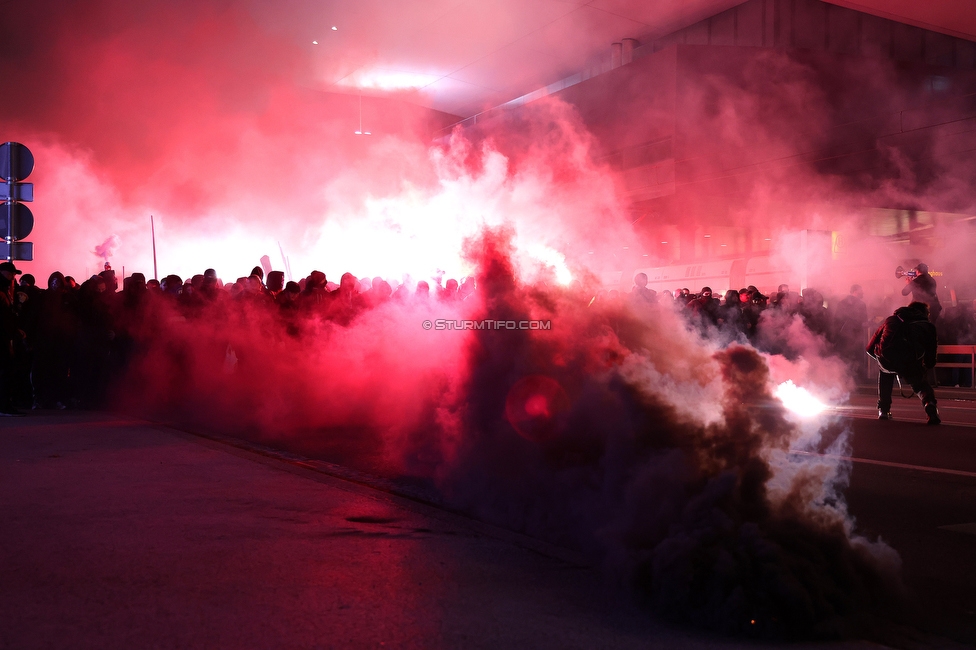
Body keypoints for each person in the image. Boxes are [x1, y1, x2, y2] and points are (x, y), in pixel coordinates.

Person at [866, 301, 940, 424]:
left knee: (885, 374)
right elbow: (931, 352)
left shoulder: (891, 320)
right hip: (910, 361)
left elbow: (869, 348)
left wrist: (881, 359)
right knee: (920, 385)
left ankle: (883, 410)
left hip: (887, 360)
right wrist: (926, 366)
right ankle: (929, 405)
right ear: (923, 313)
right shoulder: (928, 326)